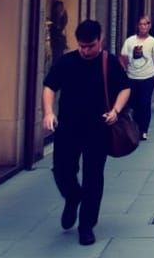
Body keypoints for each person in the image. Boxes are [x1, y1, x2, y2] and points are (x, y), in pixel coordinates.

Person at [42, 19, 130, 246]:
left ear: (100, 40)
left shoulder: (109, 62)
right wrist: (48, 112)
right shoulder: (67, 62)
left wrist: (115, 111)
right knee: (61, 170)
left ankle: (86, 226)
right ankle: (73, 196)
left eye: (90, 46)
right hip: (68, 127)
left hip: (98, 128)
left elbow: (125, 88)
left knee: (93, 176)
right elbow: (50, 86)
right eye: (81, 46)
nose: (85, 50)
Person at [119, 16, 154, 140]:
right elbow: (123, 56)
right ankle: (135, 127)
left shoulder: (153, 41)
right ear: (137, 26)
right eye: (141, 24)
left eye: (145, 24)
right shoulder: (130, 41)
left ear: (149, 26)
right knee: (133, 104)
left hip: (148, 77)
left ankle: (144, 130)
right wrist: (126, 68)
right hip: (132, 77)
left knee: (145, 103)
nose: (143, 27)